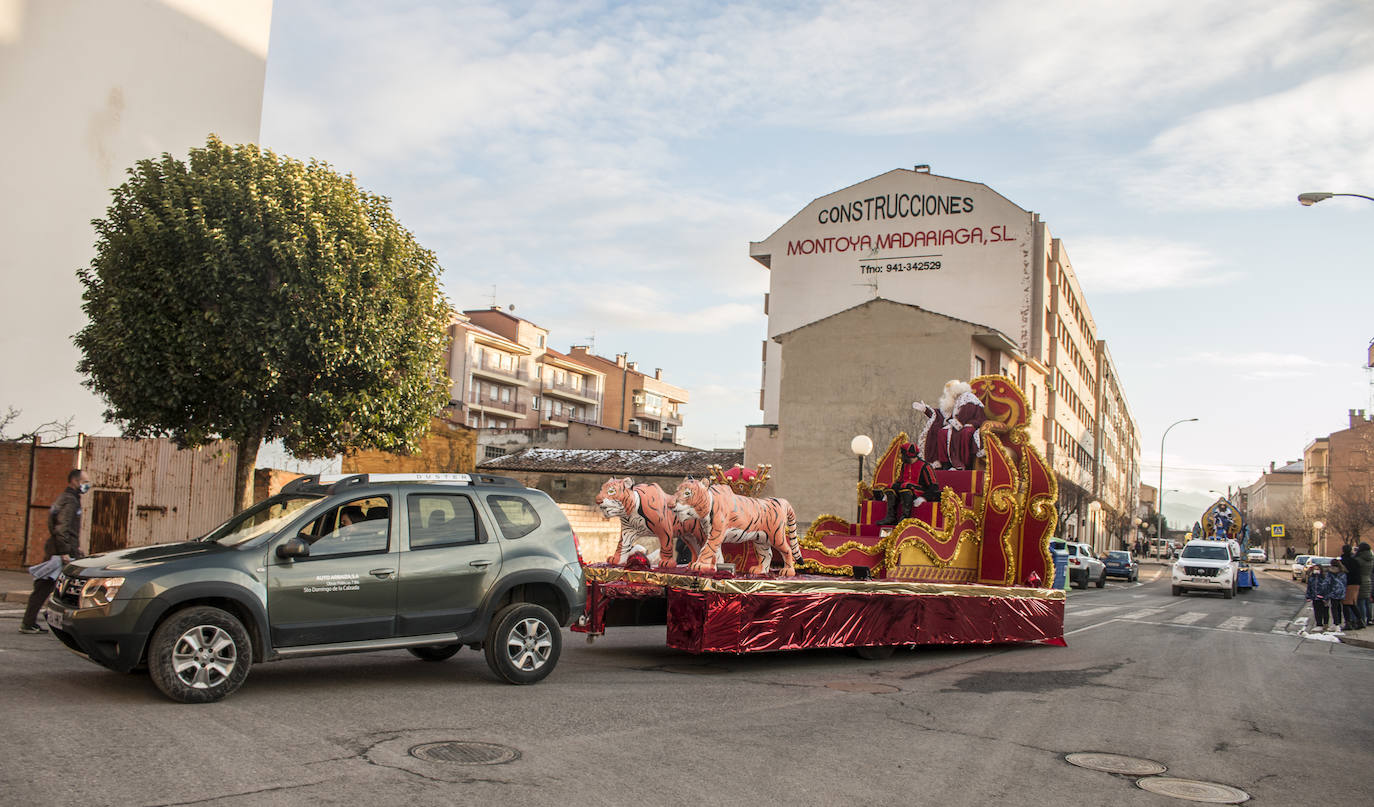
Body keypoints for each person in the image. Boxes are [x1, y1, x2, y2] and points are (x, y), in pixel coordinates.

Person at [20, 469, 90, 634]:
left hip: (59, 547)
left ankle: (38, 619)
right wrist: (65, 550)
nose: (87, 485)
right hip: (61, 551)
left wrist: (74, 546)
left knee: (54, 586)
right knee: (54, 585)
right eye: (85, 481)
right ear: (74, 481)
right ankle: (31, 622)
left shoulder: (64, 498)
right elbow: (61, 527)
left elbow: (54, 523)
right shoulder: (71, 501)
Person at [1338, 545, 1364, 630]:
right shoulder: (1355, 560)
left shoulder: (1344, 561)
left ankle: (1348, 623)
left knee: (1346, 604)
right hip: (1356, 583)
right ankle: (1360, 621)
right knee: (1352, 603)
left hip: (1348, 583)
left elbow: (1343, 573)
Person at [1305, 562, 1332, 632]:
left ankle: (1326, 624)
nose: (1316, 570)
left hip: (1323, 598)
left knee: (1325, 611)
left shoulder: (1324, 578)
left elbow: (1327, 588)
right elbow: (1309, 588)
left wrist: (1325, 597)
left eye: (1317, 569)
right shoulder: (1311, 578)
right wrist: (1308, 596)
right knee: (1317, 611)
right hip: (1315, 597)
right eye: (1315, 569)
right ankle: (1319, 624)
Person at [1354, 542, 1374, 628]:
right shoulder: (1371, 559)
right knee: (1367, 601)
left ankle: (1362, 620)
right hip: (1368, 580)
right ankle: (1369, 618)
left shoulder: (1359, 559)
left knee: (1360, 602)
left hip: (1360, 581)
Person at [1327, 559, 1348, 631]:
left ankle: (1336, 623)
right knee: (1339, 607)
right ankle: (1338, 622)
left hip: (1333, 592)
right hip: (1341, 592)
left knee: (1334, 608)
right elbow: (1345, 582)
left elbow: (1328, 582)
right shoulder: (1343, 572)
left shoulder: (1330, 572)